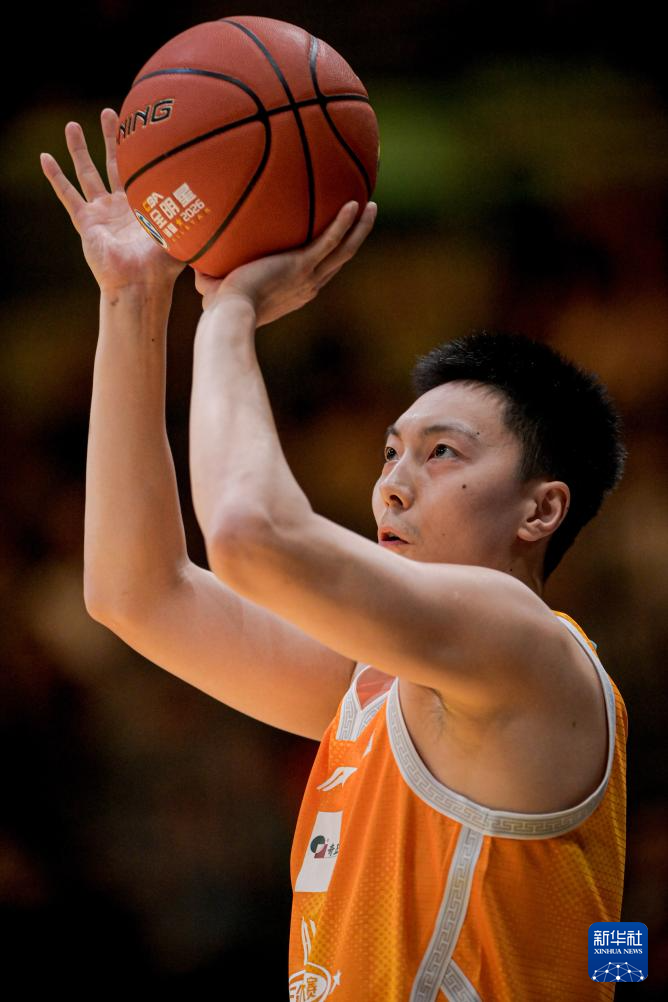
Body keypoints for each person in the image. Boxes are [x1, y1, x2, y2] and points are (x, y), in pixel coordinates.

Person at [41, 108, 628, 1001]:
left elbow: (247, 533)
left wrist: (230, 310)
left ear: (542, 509)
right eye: (390, 453)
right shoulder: (375, 687)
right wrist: (132, 299)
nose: (392, 485)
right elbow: (135, 592)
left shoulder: (527, 647)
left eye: (442, 453)